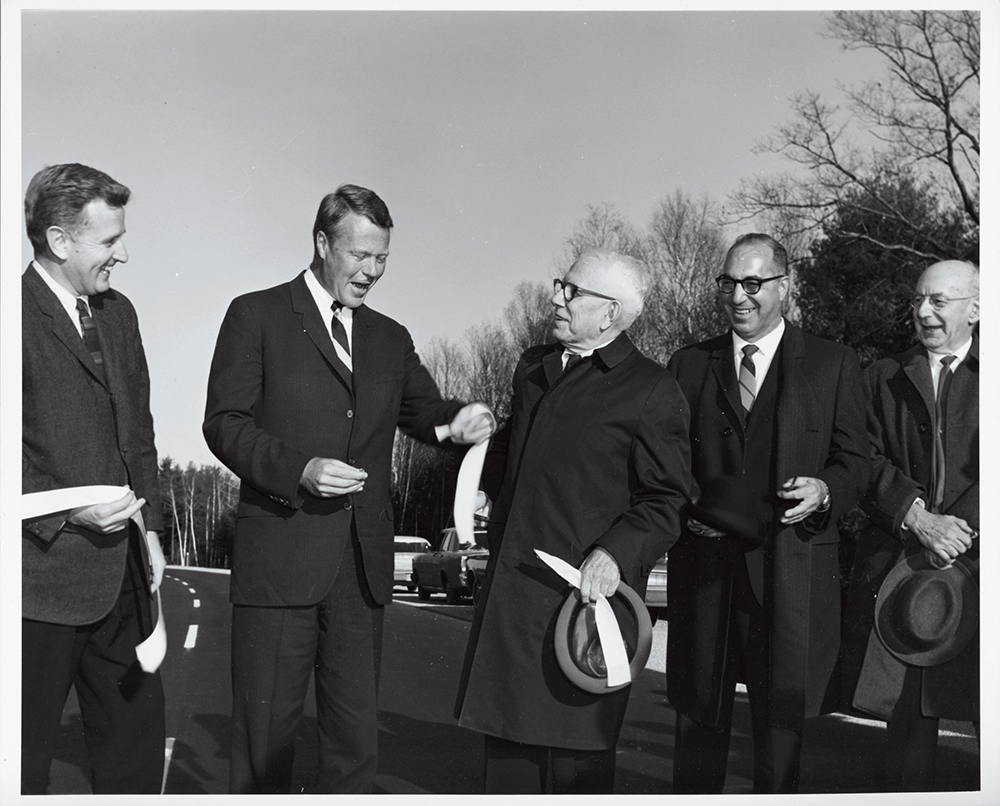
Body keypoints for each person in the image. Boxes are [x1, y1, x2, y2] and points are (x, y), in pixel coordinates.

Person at [203, 183, 494, 794]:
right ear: (321, 242)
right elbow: (225, 424)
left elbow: (424, 412)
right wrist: (298, 470)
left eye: (381, 258)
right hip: (279, 563)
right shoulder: (255, 315)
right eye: (360, 255)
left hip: (361, 572)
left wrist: (457, 421)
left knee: (354, 746)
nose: (371, 271)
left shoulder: (390, 337)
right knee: (264, 746)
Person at [455, 248, 693, 793]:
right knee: (508, 769)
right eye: (560, 284)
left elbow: (669, 498)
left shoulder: (652, 389)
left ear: (610, 313)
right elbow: (513, 446)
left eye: (572, 291)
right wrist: (482, 484)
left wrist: (613, 553)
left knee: (575, 770)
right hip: (513, 600)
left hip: (585, 611)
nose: (556, 298)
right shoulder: (533, 367)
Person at [665, 232, 869, 794]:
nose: (739, 297)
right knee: (696, 740)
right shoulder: (688, 365)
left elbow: (856, 462)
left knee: (779, 750)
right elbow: (664, 466)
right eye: (729, 283)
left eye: (753, 283)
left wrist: (825, 490)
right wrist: (684, 511)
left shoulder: (832, 363)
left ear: (785, 286)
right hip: (705, 581)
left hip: (788, 578)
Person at [21, 163, 166, 794]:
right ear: (59, 241)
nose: (123, 254)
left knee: (134, 764)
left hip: (126, 576)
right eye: (109, 240)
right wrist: (63, 512)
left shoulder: (119, 314)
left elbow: (140, 431)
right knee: (21, 767)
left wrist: (152, 529)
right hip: (37, 584)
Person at [840, 260, 979, 791]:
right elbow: (861, 459)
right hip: (905, 574)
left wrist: (957, 530)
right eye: (918, 299)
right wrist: (918, 518)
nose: (923, 311)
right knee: (907, 735)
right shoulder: (881, 376)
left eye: (938, 301)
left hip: (980, 568)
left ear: (976, 309)